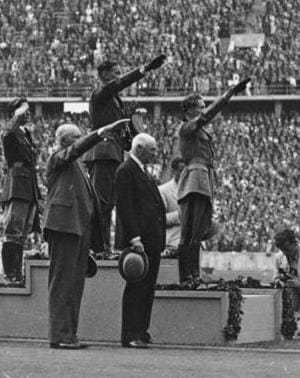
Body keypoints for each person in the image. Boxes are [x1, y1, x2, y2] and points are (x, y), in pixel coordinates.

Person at [43, 119, 128, 350]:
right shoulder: (58, 159)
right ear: (64, 141)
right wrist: (99, 133)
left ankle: (69, 334)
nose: (81, 140)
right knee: (63, 284)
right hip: (64, 228)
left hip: (78, 230)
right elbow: (75, 150)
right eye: (76, 137)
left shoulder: (79, 166)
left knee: (74, 286)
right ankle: (59, 335)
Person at [84, 55, 166, 254]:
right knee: (102, 202)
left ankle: (104, 246)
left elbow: (126, 133)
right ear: (104, 75)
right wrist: (143, 69)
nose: (119, 77)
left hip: (114, 153)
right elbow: (118, 85)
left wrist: (141, 139)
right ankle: (96, 248)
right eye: (115, 73)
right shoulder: (100, 94)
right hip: (103, 153)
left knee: (111, 203)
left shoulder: (115, 101)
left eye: (120, 73)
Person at [176, 78, 249, 283]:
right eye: (201, 106)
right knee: (190, 231)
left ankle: (193, 274)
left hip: (202, 179)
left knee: (196, 231)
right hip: (195, 179)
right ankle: (188, 275)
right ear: (191, 110)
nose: (204, 109)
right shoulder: (187, 127)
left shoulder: (196, 129)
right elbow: (206, 118)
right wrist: (228, 95)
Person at [115, 134, 167, 349]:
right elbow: (125, 207)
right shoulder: (126, 171)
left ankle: (141, 329)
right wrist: (135, 237)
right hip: (140, 240)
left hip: (152, 239)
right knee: (136, 288)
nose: (156, 153)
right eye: (152, 149)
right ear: (139, 149)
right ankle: (130, 333)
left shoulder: (141, 172)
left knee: (147, 288)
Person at [0, 97, 40, 283]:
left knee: (22, 233)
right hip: (17, 185)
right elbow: (6, 134)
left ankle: (17, 273)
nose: (28, 113)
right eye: (25, 110)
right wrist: (17, 116)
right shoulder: (11, 132)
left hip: (28, 184)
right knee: (13, 231)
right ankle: (10, 274)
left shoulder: (25, 134)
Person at [158, 158, 186, 254]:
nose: (184, 174)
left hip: (191, 245)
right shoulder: (163, 191)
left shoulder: (192, 191)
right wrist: (178, 215)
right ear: (173, 171)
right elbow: (158, 220)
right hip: (171, 244)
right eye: (181, 171)